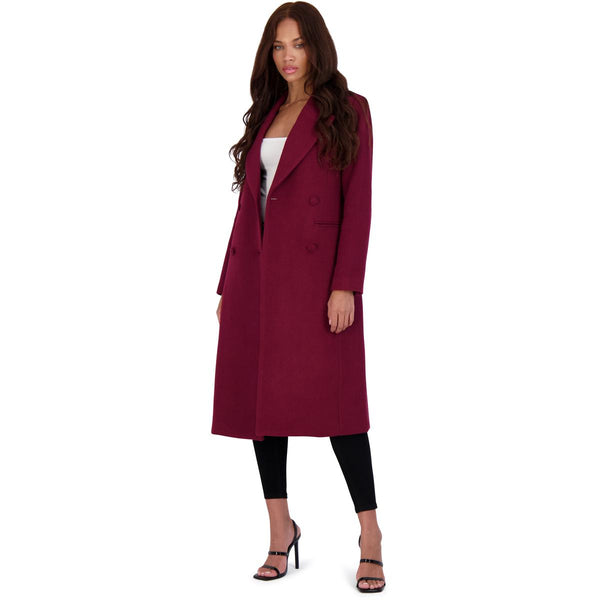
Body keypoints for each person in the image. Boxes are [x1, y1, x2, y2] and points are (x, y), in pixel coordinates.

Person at [212, 2, 385, 592]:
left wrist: (346, 284)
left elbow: (358, 204)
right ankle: (279, 528)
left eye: (298, 44)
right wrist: (227, 283)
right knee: (262, 411)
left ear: (317, 47)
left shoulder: (349, 110)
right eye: (278, 46)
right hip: (257, 280)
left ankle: (370, 534)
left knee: (340, 410)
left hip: (315, 283)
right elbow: (248, 209)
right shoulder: (268, 112)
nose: (287, 57)